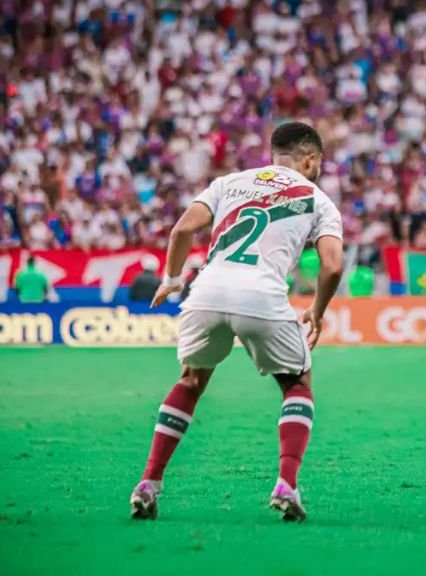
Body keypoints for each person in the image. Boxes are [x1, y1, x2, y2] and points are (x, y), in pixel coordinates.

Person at [129, 122, 344, 522]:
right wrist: (317, 309)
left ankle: (148, 482)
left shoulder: (229, 183)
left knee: (190, 380)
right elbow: (332, 266)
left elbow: (182, 229)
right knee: (296, 383)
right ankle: (287, 484)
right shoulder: (318, 200)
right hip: (260, 294)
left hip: (206, 291)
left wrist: (172, 279)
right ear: (311, 160)